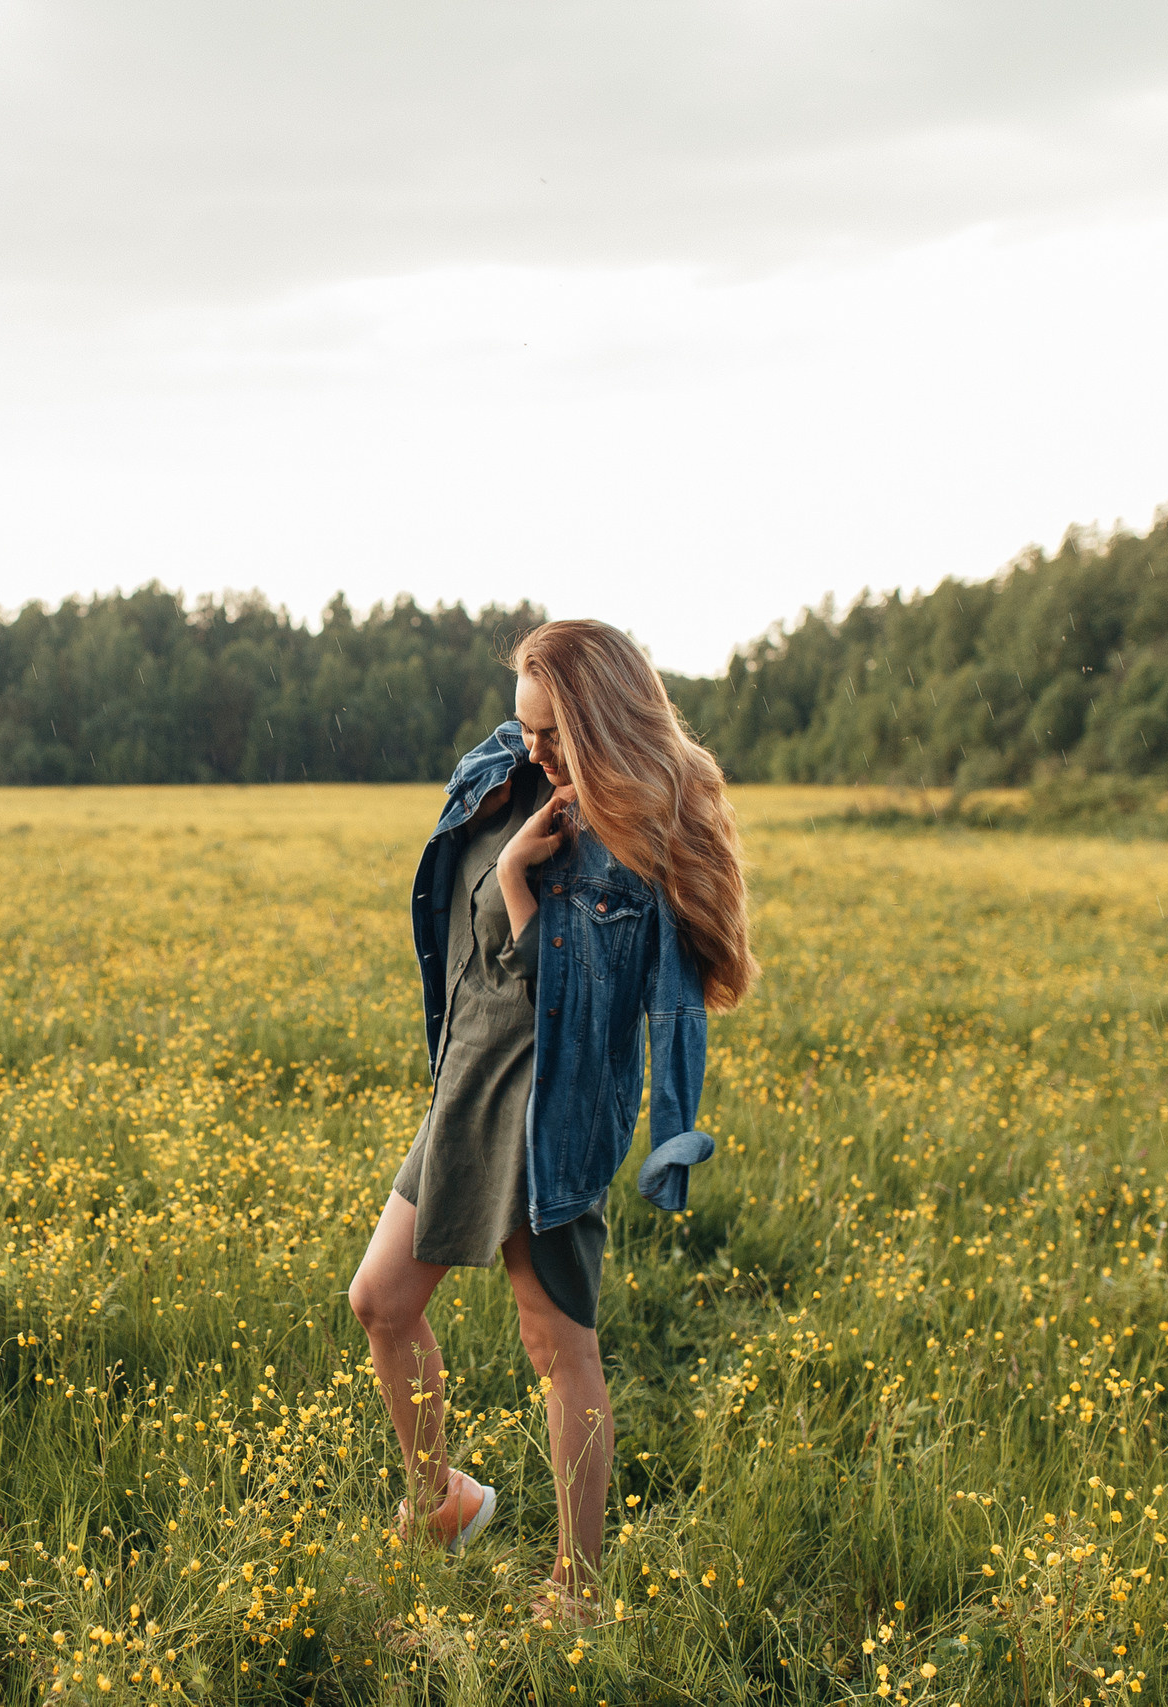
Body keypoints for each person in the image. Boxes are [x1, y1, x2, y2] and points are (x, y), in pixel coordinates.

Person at [346, 617, 756, 1621]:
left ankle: (578, 1588)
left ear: (601, 724)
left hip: (552, 1111)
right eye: (523, 727)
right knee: (379, 1302)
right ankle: (439, 1497)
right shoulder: (508, 769)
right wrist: (509, 825)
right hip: (469, 1085)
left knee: (558, 1352)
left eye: (550, 734)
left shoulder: (632, 849)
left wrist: (521, 886)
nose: (530, 748)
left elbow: (585, 1006)